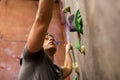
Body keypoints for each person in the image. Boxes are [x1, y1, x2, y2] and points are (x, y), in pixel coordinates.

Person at [18, 0, 73, 80]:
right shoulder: (31, 57)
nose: (50, 38)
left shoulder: (54, 72)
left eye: (52, 38)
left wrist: (67, 51)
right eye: (46, 38)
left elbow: (68, 68)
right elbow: (42, 19)